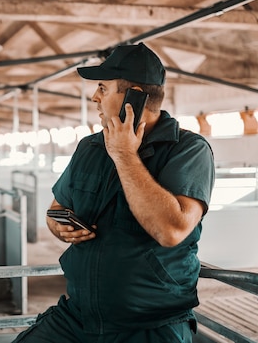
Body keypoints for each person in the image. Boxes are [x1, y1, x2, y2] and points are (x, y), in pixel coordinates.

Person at [12, 43, 215, 343]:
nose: (95, 97)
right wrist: (58, 226)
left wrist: (124, 155)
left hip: (149, 326)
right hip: (78, 316)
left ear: (133, 96)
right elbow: (57, 209)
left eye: (103, 88)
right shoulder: (90, 147)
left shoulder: (189, 150)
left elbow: (170, 231)